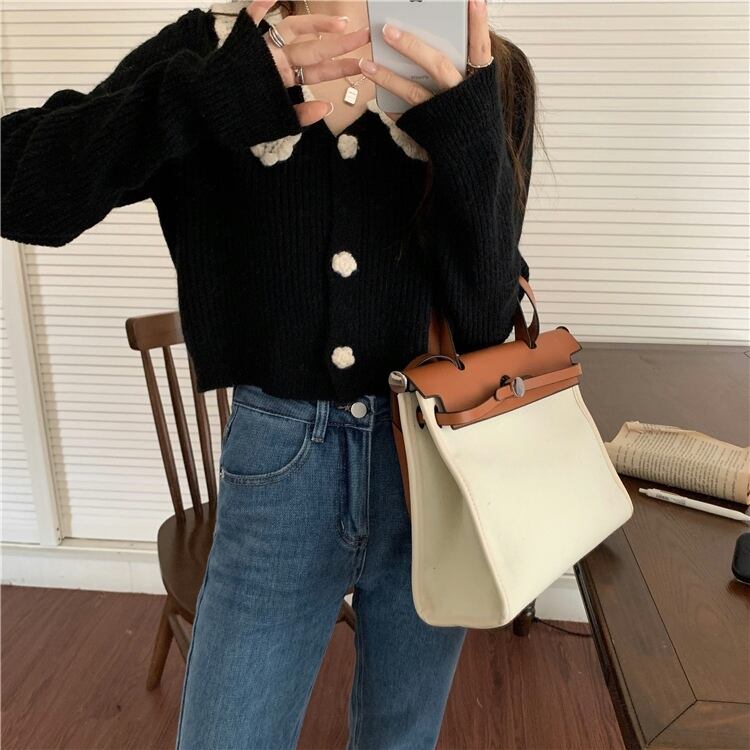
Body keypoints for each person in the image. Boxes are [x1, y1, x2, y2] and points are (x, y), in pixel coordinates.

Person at [1, 0, 537, 746]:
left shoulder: (484, 71)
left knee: (402, 738)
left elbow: (484, 322)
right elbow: (20, 189)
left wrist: (467, 133)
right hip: (279, 469)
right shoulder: (213, 52)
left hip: (437, 469)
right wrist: (208, 97)